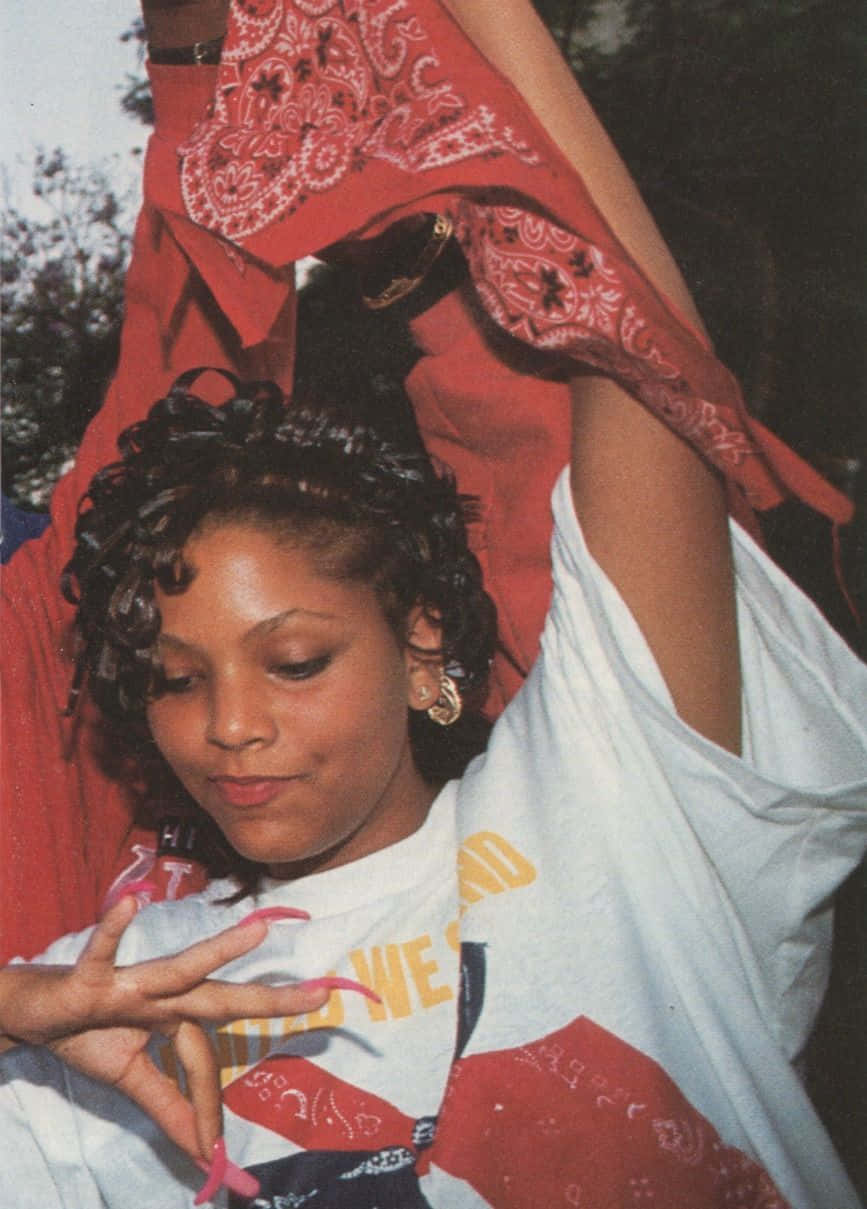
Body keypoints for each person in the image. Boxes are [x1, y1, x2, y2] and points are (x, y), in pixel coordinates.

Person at [0, 1, 865, 1206]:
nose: (229, 726)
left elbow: (630, 344)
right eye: (174, 678)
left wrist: (453, 44)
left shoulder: (617, 810)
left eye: (294, 660)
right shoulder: (109, 991)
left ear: (419, 644)